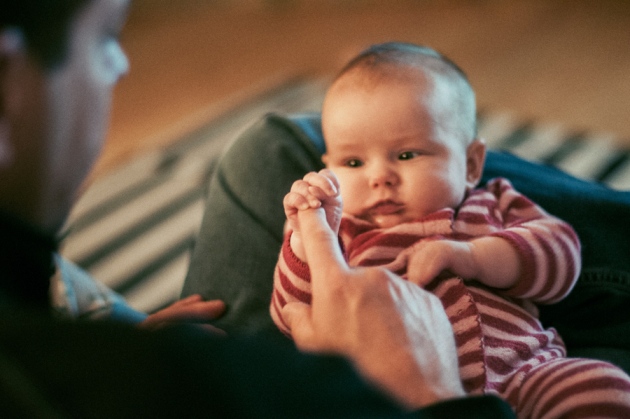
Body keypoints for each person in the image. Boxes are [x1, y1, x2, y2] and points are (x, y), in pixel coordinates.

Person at [0, 0, 516, 416]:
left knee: (270, 143)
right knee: (283, 144)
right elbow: (289, 305)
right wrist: (430, 396)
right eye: (107, 38)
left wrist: (109, 359)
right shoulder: (227, 388)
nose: (123, 65)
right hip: (511, 378)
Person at [271, 42, 630, 418]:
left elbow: (561, 258)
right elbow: (289, 315)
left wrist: (474, 257)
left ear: (472, 164)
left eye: (407, 154)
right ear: (328, 166)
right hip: (392, 394)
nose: (379, 177)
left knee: (603, 385)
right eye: (353, 161)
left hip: (527, 374)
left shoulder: (493, 202)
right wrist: (303, 238)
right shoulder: (341, 232)